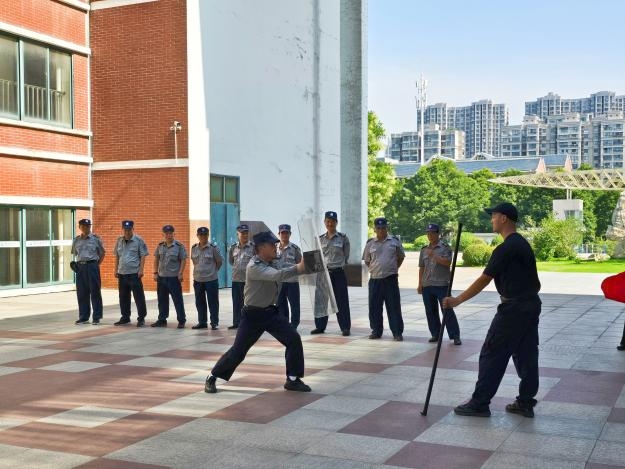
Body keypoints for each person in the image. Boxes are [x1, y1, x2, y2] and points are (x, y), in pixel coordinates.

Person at [443, 202, 541, 418]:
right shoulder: (522, 244)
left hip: (513, 308)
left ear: (504, 218)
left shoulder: (506, 248)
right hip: (530, 305)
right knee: (526, 353)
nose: (492, 220)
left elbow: (484, 280)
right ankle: (525, 402)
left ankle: (479, 403)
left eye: (494, 216)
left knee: (492, 353)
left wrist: (457, 300)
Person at [205, 231, 311, 394]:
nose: (275, 248)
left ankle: (293, 379)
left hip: (270, 313)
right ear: (261, 248)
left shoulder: (272, 261)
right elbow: (278, 275)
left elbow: (287, 268)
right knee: (238, 352)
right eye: (272, 245)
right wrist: (300, 267)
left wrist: (308, 266)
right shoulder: (254, 266)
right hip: (252, 316)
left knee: (293, 338)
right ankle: (212, 377)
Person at [362, 217, 405, 340]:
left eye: (383, 228)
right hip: (375, 279)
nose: (381, 230)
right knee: (374, 307)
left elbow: (401, 257)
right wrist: (376, 269)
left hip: (390, 279)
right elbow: (367, 260)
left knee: (393, 306)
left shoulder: (394, 241)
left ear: (387, 228)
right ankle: (376, 331)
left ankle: (397, 332)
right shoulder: (370, 243)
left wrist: (393, 268)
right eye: (379, 228)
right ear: (375, 229)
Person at [418, 223, 461, 345]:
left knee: (447, 310)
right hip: (427, 284)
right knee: (430, 311)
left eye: (432, 233)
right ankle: (435, 334)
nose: (430, 235)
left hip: (441, 284)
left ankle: (455, 335)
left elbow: (448, 262)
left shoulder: (445, 247)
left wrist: (434, 256)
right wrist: (420, 283)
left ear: (438, 234)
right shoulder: (424, 249)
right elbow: (421, 267)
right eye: (428, 233)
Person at [312, 211, 352, 336]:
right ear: (324, 222)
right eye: (328, 221)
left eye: (332, 221)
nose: (330, 223)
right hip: (323, 274)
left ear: (336, 222)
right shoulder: (319, 239)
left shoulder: (343, 238)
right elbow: (316, 256)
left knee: (341, 300)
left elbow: (346, 256)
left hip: (338, 273)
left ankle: (345, 327)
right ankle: (320, 326)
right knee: (321, 300)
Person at [113, 220, 149, 327]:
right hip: (122, 273)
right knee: (123, 296)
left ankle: (141, 318)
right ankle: (125, 317)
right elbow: (117, 256)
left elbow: (143, 255)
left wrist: (141, 270)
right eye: (125, 229)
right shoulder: (119, 240)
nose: (127, 231)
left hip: (134, 273)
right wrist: (115, 269)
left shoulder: (139, 240)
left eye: (129, 229)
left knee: (138, 297)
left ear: (133, 229)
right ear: (122, 229)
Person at [151, 225, 187, 328]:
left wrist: (180, 273)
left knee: (177, 299)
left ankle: (181, 320)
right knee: (162, 300)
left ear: (174, 234)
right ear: (163, 234)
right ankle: (162, 319)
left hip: (173, 278)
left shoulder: (179, 246)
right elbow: (156, 259)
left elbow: (183, 260)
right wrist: (155, 273)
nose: (169, 235)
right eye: (166, 233)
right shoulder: (160, 246)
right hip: (161, 277)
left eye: (171, 233)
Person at [71, 218, 105, 325]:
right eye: (84, 226)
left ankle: (96, 317)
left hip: (92, 266)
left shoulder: (96, 239)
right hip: (80, 267)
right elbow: (75, 253)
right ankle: (84, 316)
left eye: (88, 226)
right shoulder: (76, 240)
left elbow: (102, 253)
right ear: (79, 227)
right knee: (82, 293)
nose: (86, 228)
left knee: (95, 292)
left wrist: (95, 264)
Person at [191, 226, 223, 330]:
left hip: (211, 280)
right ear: (197, 236)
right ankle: (202, 322)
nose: (203, 237)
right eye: (201, 235)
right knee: (199, 302)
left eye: (205, 235)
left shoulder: (213, 248)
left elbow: (219, 262)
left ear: (208, 235)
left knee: (213, 302)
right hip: (198, 280)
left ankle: (214, 322)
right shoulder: (194, 248)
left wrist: (212, 271)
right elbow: (194, 262)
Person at [228, 224, 254, 330]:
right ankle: (236, 322)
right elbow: (231, 261)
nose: (245, 235)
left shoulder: (253, 247)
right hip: (236, 279)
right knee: (237, 302)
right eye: (242, 233)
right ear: (237, 234)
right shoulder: (233, 247)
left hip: (249, 280)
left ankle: (249, 323)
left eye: (246, 233)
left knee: (249, 303)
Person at [276, 224, 302, 329]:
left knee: (294, 305)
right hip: (279, 281)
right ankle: (284, 323)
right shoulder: (274, 248)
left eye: (286, 233)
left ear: (290, 234)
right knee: (281, 304)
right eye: (282, 233)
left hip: (292, 281)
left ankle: (294, 324)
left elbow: (300, 262)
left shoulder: (295, 248)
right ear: (279, 234)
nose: (284, 235)